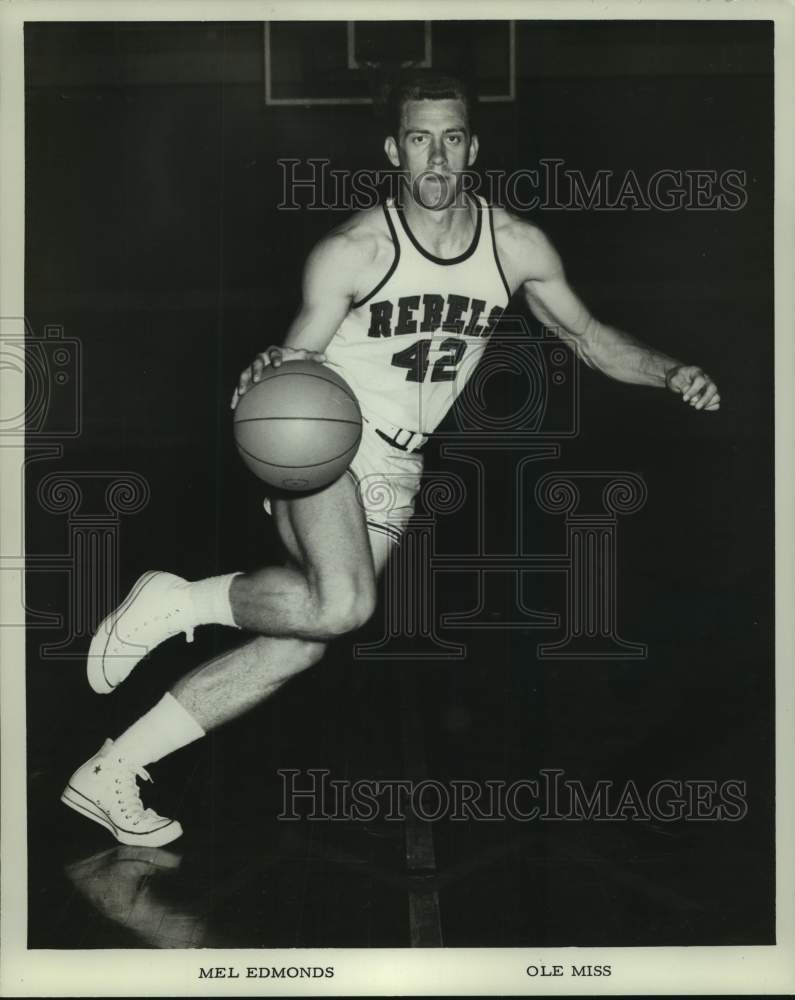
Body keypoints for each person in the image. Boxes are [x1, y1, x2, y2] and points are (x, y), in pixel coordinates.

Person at [61, 70, 720, 847]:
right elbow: (295, 355)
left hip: (398, 468)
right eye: (418, 139)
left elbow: (587, 336)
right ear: (392, 150)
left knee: (303, 638)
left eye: (450, 138)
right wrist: (267, 369)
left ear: (471, 147)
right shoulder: (353, 249)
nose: (435, 158)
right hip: (323, 435)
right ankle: (179, 603)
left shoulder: (515, 247)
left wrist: (669, 370)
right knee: (345, 605)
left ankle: (110, 771)